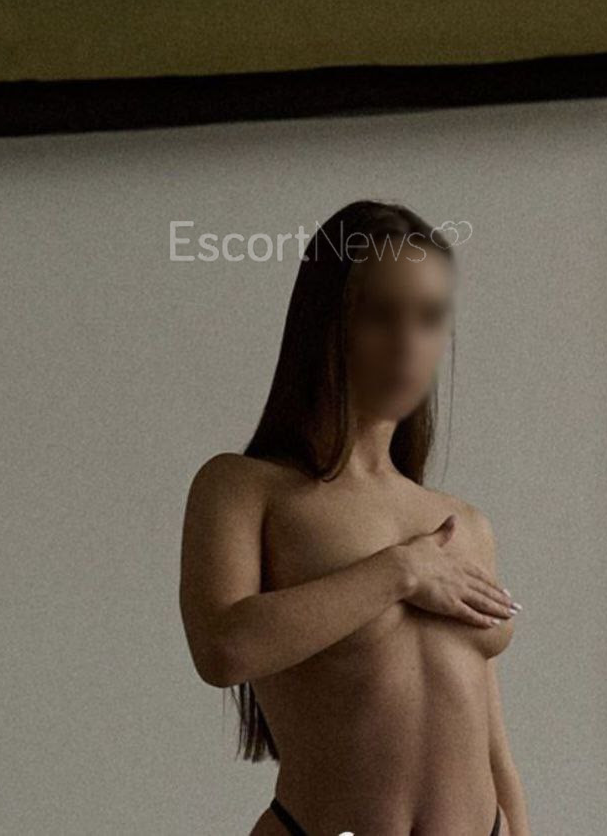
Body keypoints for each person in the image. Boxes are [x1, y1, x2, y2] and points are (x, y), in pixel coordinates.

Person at [179, 200, 531, 835]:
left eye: (429, 318)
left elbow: (493, 746)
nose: (408, 344)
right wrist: (400, 572)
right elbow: (223, 648)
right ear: (326, 322)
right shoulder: (244, 488)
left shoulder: (464, 525)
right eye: (380, 315)